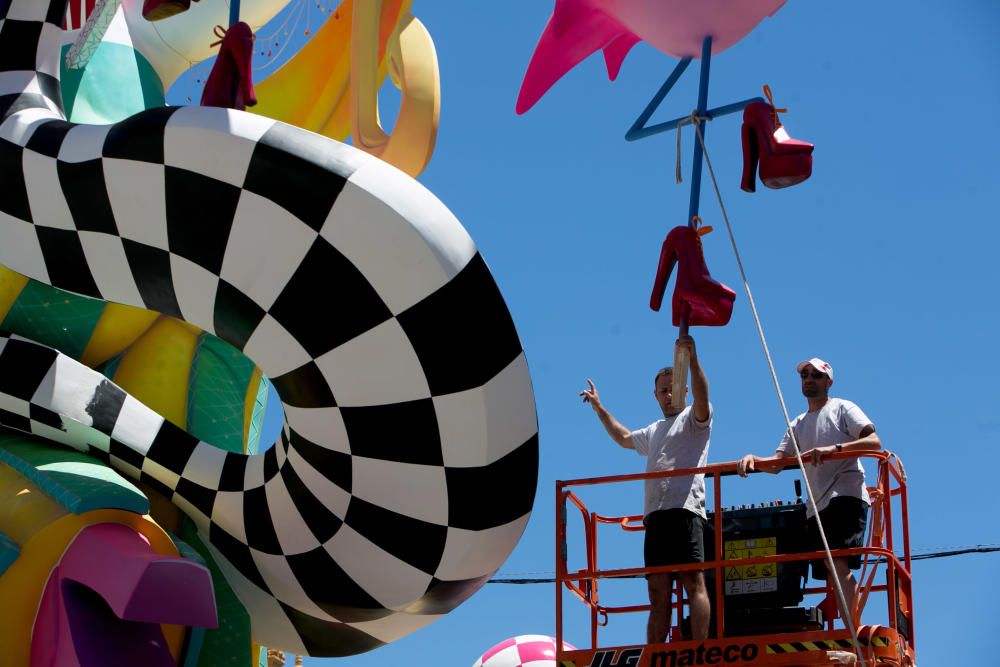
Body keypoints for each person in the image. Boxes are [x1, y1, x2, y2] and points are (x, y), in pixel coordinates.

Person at [580, 335, 711, 644]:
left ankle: (702, 648)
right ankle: (655, 652)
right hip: (656, 517)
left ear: (683, 390)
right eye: (662, 391)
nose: (668, 395)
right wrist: (600, 409)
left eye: (672, 389)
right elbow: (624, 438)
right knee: (657, 590)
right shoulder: (654, 430)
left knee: (694, 581)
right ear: (655, 395)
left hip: (686, 511)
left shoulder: (693, 419)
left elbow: (704, 400)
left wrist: (692, 361)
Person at [736, 357, 881, 619]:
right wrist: (752, 459)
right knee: (829, 565)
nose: (809, 379)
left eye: (815, 374)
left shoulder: (842, 408)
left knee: (836, 562)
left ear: (828, 381)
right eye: (804, 375)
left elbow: (874, 442)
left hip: (845, 494)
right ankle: (846, 623)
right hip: (818, 505)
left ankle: (853, 629)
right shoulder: (799, 423)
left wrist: (834, 450)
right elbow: (778, 463)